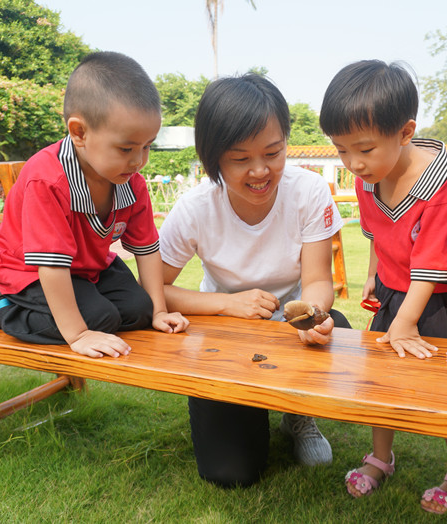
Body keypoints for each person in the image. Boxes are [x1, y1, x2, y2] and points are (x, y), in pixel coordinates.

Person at [159, 73, 350, 488]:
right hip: (223, 337)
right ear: (213, 158)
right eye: (240, 158)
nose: (261, 171)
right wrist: (229, 304)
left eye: (273, 152)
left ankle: (298, 415)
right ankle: (251, 409)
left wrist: (312, 318)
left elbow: (318, 280)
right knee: (231, 473)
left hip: (288, 330)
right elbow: (154, 291)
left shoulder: (309, 191)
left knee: (340, 330)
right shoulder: (194, 208)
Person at [320, 60, 447, 515]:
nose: (353, 162)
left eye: (364, 149)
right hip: (396, 292)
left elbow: (432, 264)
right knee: (379, 381)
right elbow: (377, 233)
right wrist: (375, 276)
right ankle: (380, 457)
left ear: (406, 131)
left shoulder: (438, 182)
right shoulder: (368, 176)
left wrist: (406, 323)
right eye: (341, 150)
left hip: (443, 295)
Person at [0, 51, 189, 357]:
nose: (139, 160)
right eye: (126, 148)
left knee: (138, 312)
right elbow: (50, 265)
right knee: (99, 320)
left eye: (147, 146)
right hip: (29, 271)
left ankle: (101, 312)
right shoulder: (47, 180)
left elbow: (147, 249)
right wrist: (78, 335)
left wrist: (158, 312)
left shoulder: (131, 180)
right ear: (79, 132)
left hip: (87, 267)